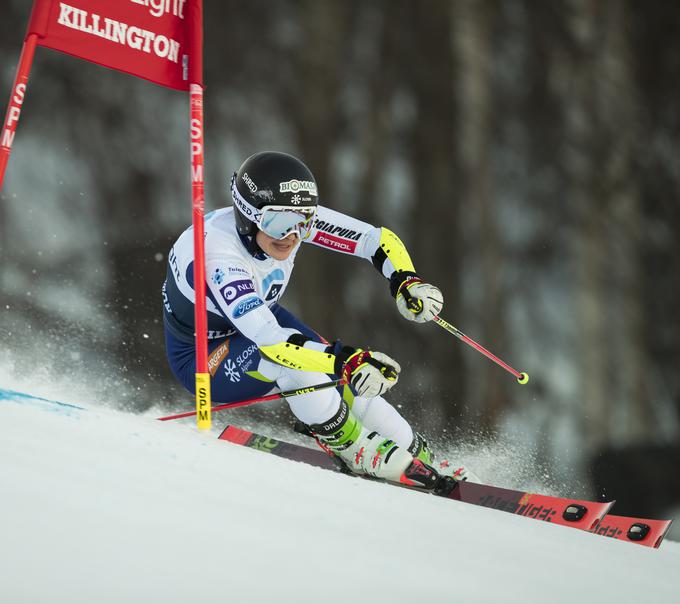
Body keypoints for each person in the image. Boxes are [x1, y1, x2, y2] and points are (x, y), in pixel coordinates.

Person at [163, 151, 472, 487]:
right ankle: (350, 446)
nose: (293, 235)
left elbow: (375, 240)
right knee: (304, 362)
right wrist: (344, 359)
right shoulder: (219, 257)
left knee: (341, 375)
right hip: (204, 354)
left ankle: (416, 453)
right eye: (280, 224)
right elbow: (271, 341)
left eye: (304, 221)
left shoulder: (287, 221)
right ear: (247, 216)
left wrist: (404, 281)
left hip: (261, 322)